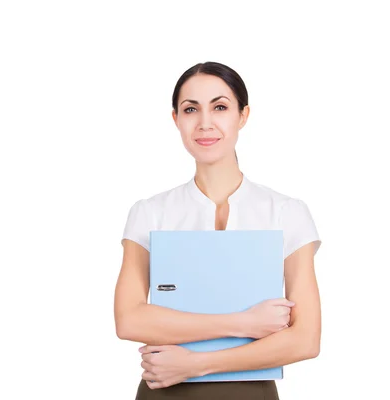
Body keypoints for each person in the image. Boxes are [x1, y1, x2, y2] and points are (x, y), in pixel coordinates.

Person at [114, 61, 322, 400]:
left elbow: (306, 339)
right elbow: (129, 321)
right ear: (176, 119)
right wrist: (243, 323)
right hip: (164, 392)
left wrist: (195, 363)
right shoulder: (150, 213)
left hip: (251, 393)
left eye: (220, 107)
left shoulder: (286, 213)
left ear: (243, 115)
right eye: (191, 109)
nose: (205, 123)